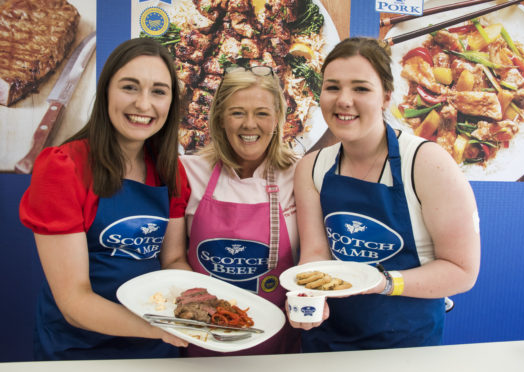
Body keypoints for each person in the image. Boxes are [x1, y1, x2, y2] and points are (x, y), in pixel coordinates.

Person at [291, 37, 481, 351]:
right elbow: (315, 255)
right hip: (327, 340)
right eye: (333, 87)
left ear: (386, 97)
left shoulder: (426, 163)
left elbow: (462, 271)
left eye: (361, 89)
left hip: (405, 345)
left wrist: (385, 282)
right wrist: (307, 294)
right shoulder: (311, 167)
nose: (344, 100)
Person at [19, 38, 192, 360]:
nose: (143, 104)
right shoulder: (62, 168)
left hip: (155, 348)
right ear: (106, 92)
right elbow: (74, 301)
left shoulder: (171, 171)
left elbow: (172, 261)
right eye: (130, 87)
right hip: (79, 348)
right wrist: (161, 328)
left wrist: (199, 299)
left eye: (158, 91)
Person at [180, 65, 301, 356]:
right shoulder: (187, 171)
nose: (250, 124)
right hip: (202, 337)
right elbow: (172, 257)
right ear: (220, 118)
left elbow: (311, 260)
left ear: (277, 120)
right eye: (237, 113)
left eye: (261, 113)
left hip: (275, 340)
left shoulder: (300, 174)